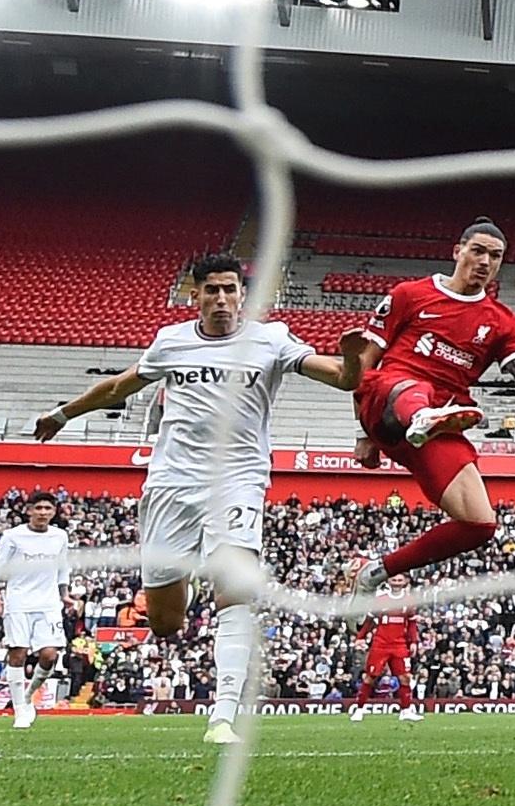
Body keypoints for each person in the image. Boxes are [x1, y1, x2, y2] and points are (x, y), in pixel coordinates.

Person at [34, 253, 369, 744]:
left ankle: (223, 717)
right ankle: (186, 575)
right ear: (194, 295)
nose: (222, 299)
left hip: (237, 479)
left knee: (235, 590)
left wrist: (355, 358)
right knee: (166, 621)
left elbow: (342, 378)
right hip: (172, 483)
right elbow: (117, 387)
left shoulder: (270, 340)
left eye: (230, 289)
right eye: (211, 289)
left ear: (243, 295)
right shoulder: (172, 342)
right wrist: (64, 414)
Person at [344, 218, 515, 594]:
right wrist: (364, 433)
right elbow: (364, 364)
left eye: (495, 256)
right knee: (413, 389)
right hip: (389, 400)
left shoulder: (500, 322)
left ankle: (375, 573)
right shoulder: (409, 295)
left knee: (479, 525)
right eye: (477, 251)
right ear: (457, 251)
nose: (485, 261)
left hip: (439, 424)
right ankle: (420, 416)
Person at [0, 491, 73, 729]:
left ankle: (27, 697)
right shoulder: (13, 536)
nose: (43, 513)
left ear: (54, 512)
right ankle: (20, 711)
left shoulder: (60, 537)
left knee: (49, 655)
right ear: (29, 511)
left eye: (47, 508)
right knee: (18, 653)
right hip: (19, 602)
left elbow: (63, 568)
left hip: (49, 603)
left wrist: (65, 595)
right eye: (38, 508)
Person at [349, 572, 423, 723]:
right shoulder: (381, 600)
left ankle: (406, 710)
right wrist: (360, 638)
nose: (396, 582)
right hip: (380, 644)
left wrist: (414, 641)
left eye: (399, 580)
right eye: (393, 580)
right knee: (371, 677)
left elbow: (412, 623)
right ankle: (359, 709)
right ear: (388, 581)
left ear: (405, 582)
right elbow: (369, 621)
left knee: (405, 678)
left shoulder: (409, 601)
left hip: (399, 645)